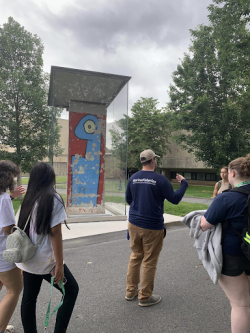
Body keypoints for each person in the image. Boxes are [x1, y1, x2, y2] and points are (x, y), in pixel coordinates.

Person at [16, 162, 79, 333]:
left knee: (29, 298)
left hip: (28, 259)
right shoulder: (53, 198)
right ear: (50, 178)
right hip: (47, 261)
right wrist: (59, 265)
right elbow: (55, 233)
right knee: (72, 290)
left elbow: (21, 228)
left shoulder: (28, 199)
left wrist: (22, 263)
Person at [125, 149, 188, 307]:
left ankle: (130, 291)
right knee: (149, 261)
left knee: (135, 256)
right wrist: (184, 184)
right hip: (152, 226)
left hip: (133, 224)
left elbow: (128, 199)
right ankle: (145, 297)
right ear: (153, 160)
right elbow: (174, 199)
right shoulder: (160, 180)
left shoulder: (133, 178)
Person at [201, 154, 250, 333]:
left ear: (232, 174)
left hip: (232, 255)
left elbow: (203, 225)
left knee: (241, 305)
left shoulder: (226, 198)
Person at [0, 161, 23, 333]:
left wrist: (12, 196)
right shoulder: (3, 199)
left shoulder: (5, 198)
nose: (14, 180)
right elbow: (7, 229)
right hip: (3, 254)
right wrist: (21, 233)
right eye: (14, 176)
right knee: (14, 290)